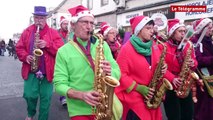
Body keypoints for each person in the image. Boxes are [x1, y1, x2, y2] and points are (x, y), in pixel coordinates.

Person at [53, 5, 121, 120]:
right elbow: (59, 85)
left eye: (91, 23)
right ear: (73, 25)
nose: (89, 27)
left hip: (105, 105)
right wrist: (81, 95)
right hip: (79, 110)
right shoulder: (63, 51)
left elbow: (117, 71)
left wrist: (110, 72)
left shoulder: (102, 44)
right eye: (84, 23)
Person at [115, 15, 168, 120]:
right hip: (134, 99)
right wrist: (138, 88)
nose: (152, 31)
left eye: (152, 28)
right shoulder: (126, 49)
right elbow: (121, 74)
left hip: (151, 95)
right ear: (139, 30)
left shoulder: (153, 45)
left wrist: (164, 67)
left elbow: (158, 63)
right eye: (148, 28)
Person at [16, 6, 64, 120]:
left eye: (41, 18)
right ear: (34, 18)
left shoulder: (53, 33)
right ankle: (30, 113)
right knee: (29, 95)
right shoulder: (27, 31)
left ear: (46, 18)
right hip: (31, 70)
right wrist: (26, 57)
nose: (39, 20)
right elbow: (19, 48)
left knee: (46, 98)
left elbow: (61, 50)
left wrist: (47, 44)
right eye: (36, 17)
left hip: (47, 72)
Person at [163, 19, 198, 120]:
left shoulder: (188, 45)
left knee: (188, 114)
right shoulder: (164, 47)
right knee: (174, 116)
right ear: (172, 33)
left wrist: (193, 63)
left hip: (185, 84)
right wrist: (172, 78)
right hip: (171, 86)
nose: (183, 34)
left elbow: (195, 61)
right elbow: (160, 67)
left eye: (184, 31)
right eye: (180, 31)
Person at [191, 18, 213, 120]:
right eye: (209, 28)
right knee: (203, 103)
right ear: (202, 29)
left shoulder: (208, 40)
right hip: (201, 77)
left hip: (210, 74)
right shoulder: (196, 41)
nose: (211, 29)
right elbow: (198, 60)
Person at [57, 16, 69, 107]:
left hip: (69, 56)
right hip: (60, 56)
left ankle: (69, 94)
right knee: (62, 76)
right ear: (61, 24)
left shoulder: (71, 33)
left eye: (67, 24)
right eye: (64, 24)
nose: (66, 25)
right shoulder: (57, 33)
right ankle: (63, 97)